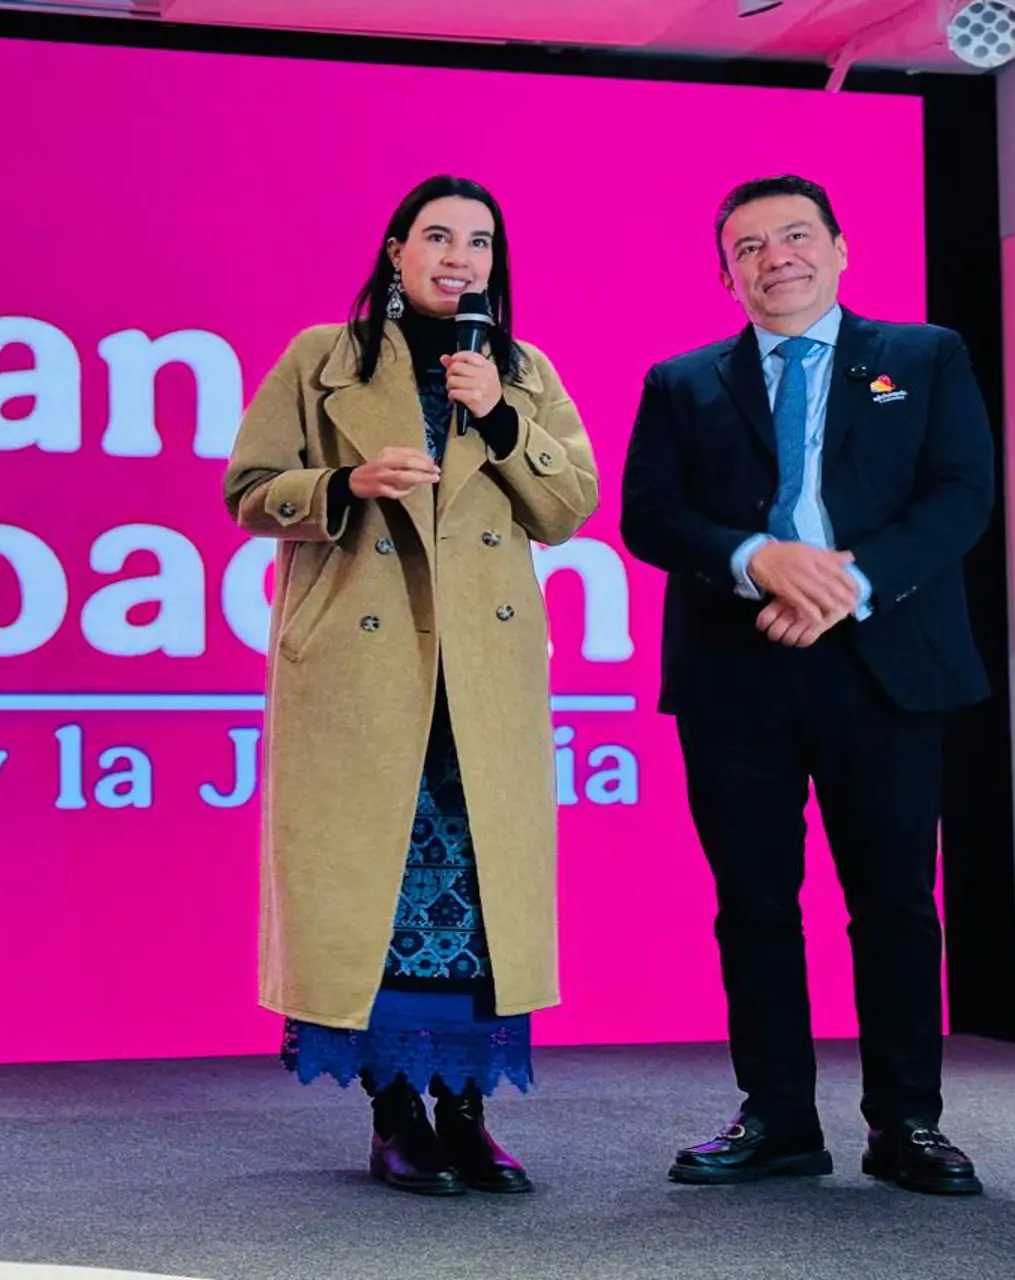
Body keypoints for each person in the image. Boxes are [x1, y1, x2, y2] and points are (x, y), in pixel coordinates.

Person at [223, 174, 599, 1196]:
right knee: (378, 895)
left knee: (475, 898)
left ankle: (466, 1114)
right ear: (397, 250)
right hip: (363, 667)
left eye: (480, 242)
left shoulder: (520, 371)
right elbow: (247, 491)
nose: (460, 258)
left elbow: (570, 506)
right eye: (439, 236)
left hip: (481, 674)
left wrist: (504, 420)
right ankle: (394, 1115)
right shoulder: (323, 358)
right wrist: (345, 484)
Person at [620, 174, 994, 1196]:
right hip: (737, 670)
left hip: (885, 664)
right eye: (748, 247)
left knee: (895, 902)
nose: (775, 257)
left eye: (795, 236)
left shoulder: (924, 356)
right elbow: (650, 514)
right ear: (726, 274)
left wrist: (846, 584)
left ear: (838, 249)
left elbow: (961, 493)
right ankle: (778, 1119)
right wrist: (757, 559)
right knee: (753, 903)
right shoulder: (681, 381)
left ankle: (907, 1123)